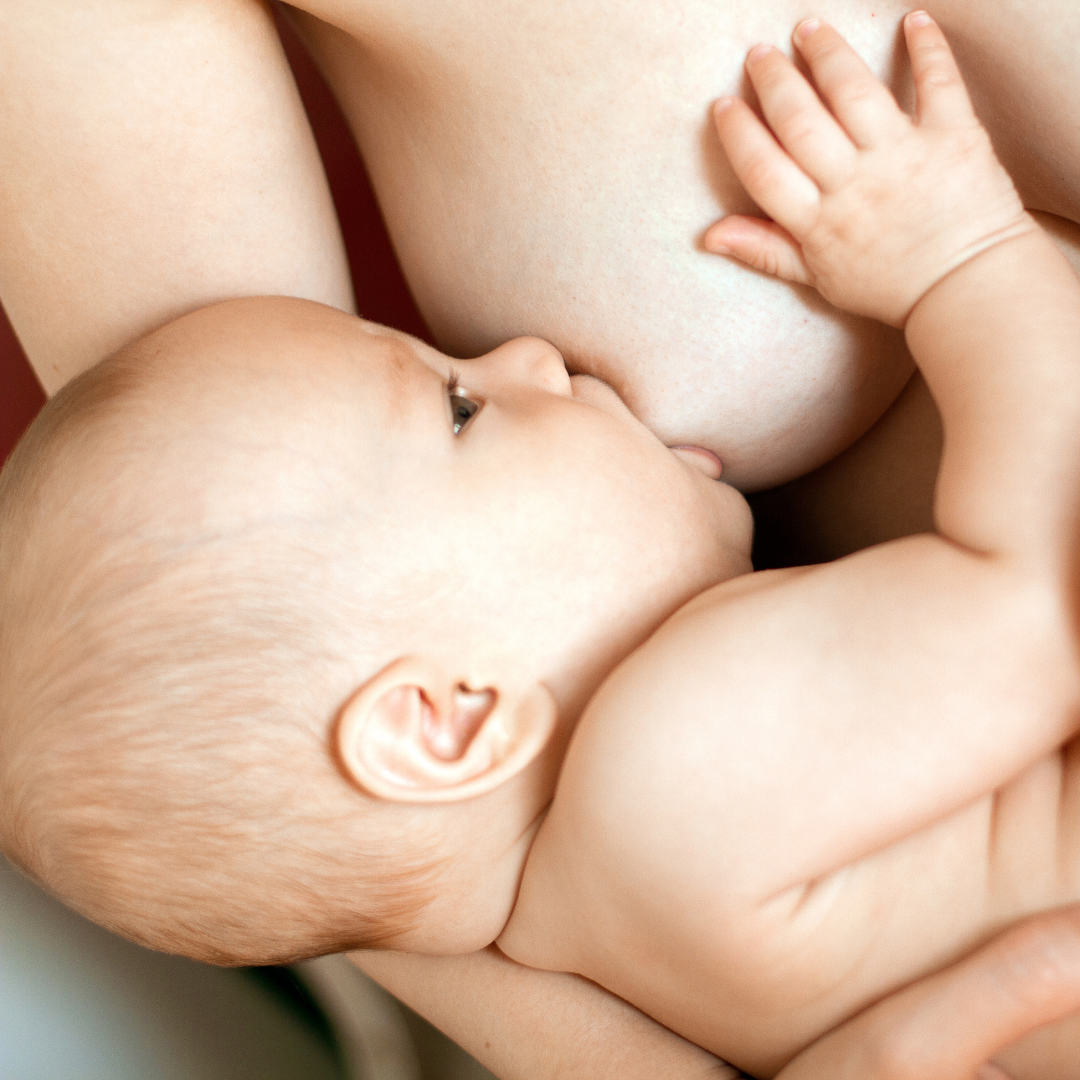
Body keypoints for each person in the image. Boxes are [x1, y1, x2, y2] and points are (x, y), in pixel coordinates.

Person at [3, 0, 1079, 1073]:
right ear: (447, 722)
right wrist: (959, 256)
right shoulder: (679, 762)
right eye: (460, 410)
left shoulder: (594, 932)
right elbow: (1041, 596)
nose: (521, 355)